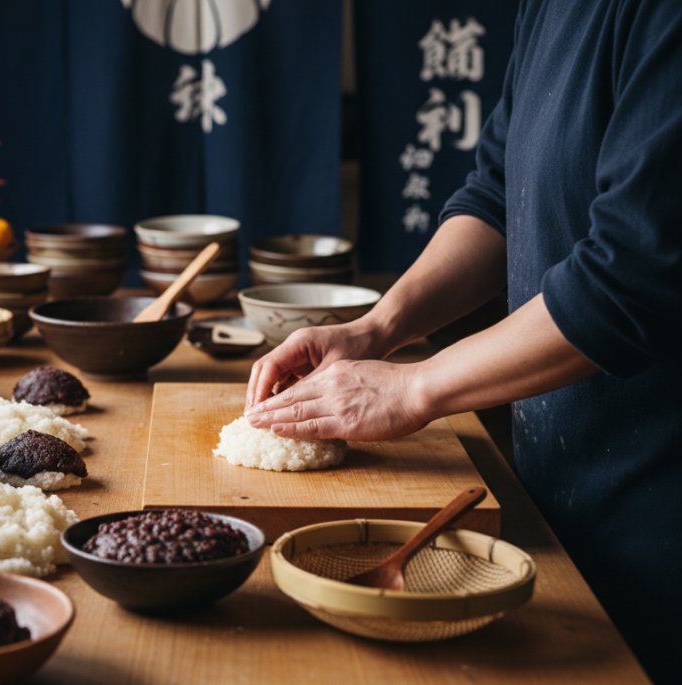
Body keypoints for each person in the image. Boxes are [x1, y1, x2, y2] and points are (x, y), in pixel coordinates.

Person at [243, 1, 681, 679]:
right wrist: (376, 330)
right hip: (551, 499)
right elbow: (497, 195)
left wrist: (419, 386)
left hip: (657, 519)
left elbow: (629, 278)